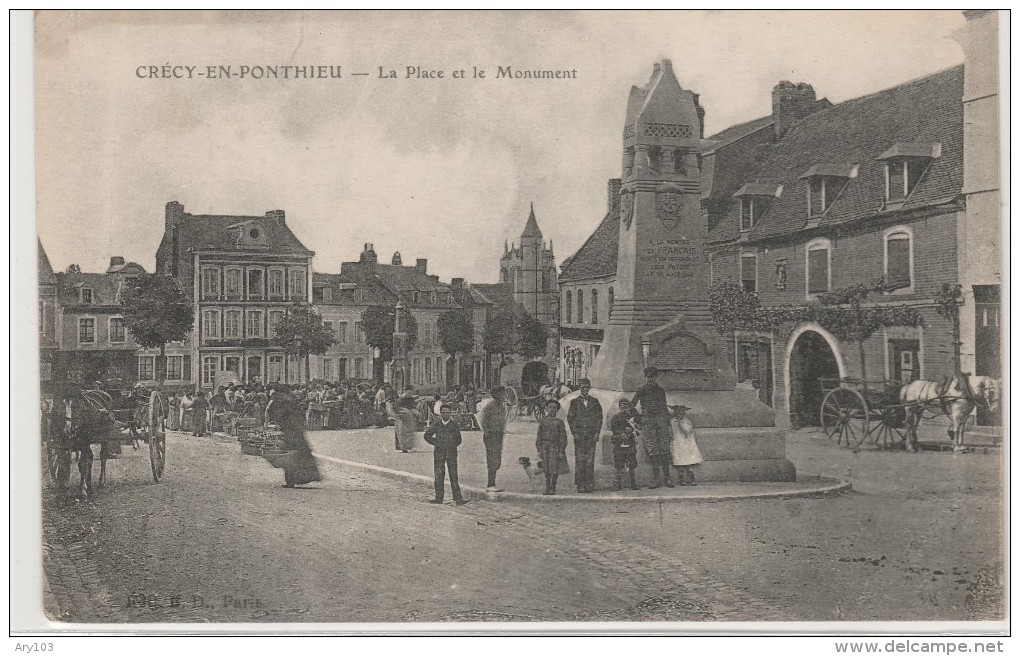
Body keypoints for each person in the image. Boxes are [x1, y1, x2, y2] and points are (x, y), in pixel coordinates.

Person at [265, 385, 323, 488]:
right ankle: (307, 476)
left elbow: (272, 412)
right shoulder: (290, 399)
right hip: (297, 431)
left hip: (288, 431)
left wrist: (274, 424)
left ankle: (291, 481)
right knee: (299, 455)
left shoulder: (279, 400)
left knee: (289, 456)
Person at [630, 366, 673, 489]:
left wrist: (667, 422)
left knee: (664, 449)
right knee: (653, 449)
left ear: (656, 377)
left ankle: (667, 478)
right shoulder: (641, 390)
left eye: (653, 376)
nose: (650, 379)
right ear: (646, 377)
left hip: (661, 420)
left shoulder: (661, 391)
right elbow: (631, 405)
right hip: (648, 420)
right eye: (648, 377)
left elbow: (664, 407)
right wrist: (639, 418)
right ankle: (656, 478)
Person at [423, 404, 467, 505]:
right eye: (443, 412)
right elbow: (427, 435)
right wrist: (436, 443)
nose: (445, 415)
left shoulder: (454, 425)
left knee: (453, 476)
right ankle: (439, 498)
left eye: (447, 412)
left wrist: (451, 445)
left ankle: (457, 498)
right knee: (439, 476)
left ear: (450, 413)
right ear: (440, 413)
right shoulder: (437, 424)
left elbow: (459, 440)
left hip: (451, 453)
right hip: (439, 453)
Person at [566, 378, 603, 493]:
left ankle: (589, 482)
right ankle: (580, 483)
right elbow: (570, 418)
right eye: (583, 387)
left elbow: (599, 418)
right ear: (579, 388)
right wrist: (574, 433)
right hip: (580, 435)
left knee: (590, 460)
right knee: (580, 459)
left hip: (591, 435)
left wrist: (597, 432)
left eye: (587, 387)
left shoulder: (595, 401)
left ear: (590, 388)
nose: (585, 390)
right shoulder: (574, 402)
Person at [536, 399, 569, 495]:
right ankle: (547, 487)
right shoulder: (543, 421)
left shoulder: (559, 422)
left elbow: (563, 437)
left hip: (555, 447)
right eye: (550, 407)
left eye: (554, 408)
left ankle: (553, 487)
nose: (552, 409)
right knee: (546, 468)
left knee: (554, 468)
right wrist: (539, 448)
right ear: (546, 408)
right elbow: (539, 436)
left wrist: (561, 450)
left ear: (557, 410)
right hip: (545, 447)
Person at [479, 386, 508, 492]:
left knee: (497, 459)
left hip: (499, 434)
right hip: (491, 434)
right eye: (502, 393)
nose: (504, 395)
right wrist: (487, 432)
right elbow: (484, 420)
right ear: (496, 394)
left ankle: (492, 483)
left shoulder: (501, 406)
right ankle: (490, 484)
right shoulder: (490, 406)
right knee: (492, 459)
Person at [610, 398, 640, 491]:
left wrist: (632, 430)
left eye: (626, 406)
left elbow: (638, 429)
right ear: (619, 407)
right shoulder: (616, 417)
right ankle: (617, 484)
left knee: (631, 464)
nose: (624, 408)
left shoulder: (632, 418)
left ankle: (633, 483)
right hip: (619, 444)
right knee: (619, 464)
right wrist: (622, 433)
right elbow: (614, 428)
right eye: (622, 405)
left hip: (630, 444)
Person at [669, 405, 703, 486]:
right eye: (677, 413)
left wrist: (680, 424)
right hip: (677, 443)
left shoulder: (687, 422)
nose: (679, 415)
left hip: (686, 444)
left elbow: (687, 431)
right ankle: (682, 479)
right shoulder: (672, 421)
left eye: (681, 413)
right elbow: (671, 431)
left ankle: (692, 479)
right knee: (679, 462)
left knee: (688, 463)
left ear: (684, 414)